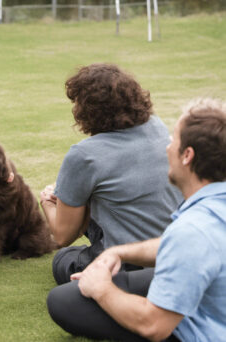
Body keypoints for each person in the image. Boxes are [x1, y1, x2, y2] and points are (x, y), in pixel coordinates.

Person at [47, 97, 226, 341]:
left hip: (200, 328)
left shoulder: (192, 230)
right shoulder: (211, 205)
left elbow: (155, 325)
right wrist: (119, 252)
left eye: (173, 140)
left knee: (64, 303)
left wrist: (103, 290)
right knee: (67, 295)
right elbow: (179, 246)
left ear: (187, 155)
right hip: (207, 288)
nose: (166, 147)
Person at [40, 63, 182, 285]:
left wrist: (48, 203)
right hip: (176, 251)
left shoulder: (84, 155)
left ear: (86, 109)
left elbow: (62, 236)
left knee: (64, 259)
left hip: (127, 266)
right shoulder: (157, 126)